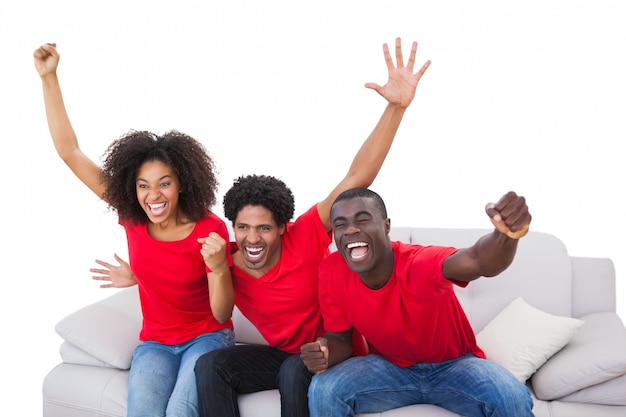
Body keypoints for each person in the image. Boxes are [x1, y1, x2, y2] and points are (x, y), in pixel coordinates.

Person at [193, 38, 431, 417]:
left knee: (294, 369)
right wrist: (215, 268)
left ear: (283, 228)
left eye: (264, 228)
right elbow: (221, 314)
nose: (252, 238)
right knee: (211, 365)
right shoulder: (229, 261)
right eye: (243, 227)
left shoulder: (305, 233)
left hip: (336, 352)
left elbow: (358, 176)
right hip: (284, 355)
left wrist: (395, 109)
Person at [34, 43, 236, 417]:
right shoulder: (133, 217)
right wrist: (49, 78)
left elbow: (223, 314)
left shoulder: (209, 229)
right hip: (156, 343)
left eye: (164, 183)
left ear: (183, 184)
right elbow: (70, 152)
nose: (153, 195)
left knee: (180, 412)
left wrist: (220, 267)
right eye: (143, 185)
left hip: (208, 338)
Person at [300, 188, 535, 417]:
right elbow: (340, 339)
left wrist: (505, 236)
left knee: (511, 396)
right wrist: (325, 354)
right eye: (340, 224)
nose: (350, 230)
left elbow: (477, 261)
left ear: (387, 225)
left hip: (454, 367)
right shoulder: (331, 272)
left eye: (362, 220)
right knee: (325, 388)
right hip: (388, 368)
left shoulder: (419, 262)